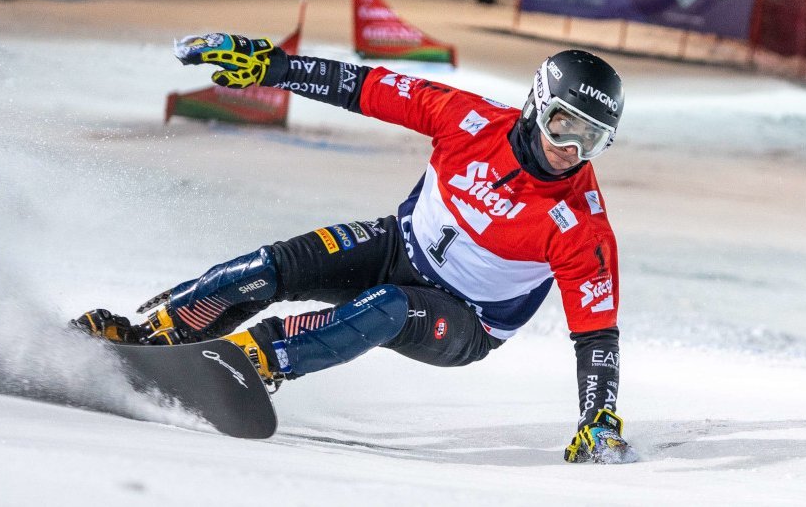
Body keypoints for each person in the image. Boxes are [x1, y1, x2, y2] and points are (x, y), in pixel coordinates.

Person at [71, 34, 635, 464]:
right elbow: (363, 87)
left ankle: (253, 358)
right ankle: (150, 336)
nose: (572, 149)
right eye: (565, 126)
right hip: (398, 245)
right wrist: (275, 65)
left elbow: (596, 335)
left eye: (593, 140)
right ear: (538, 104)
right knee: (272, 268)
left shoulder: (581, 225)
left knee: (388, 306)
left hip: (468, 321)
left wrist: (600, 418)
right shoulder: (468, 119)